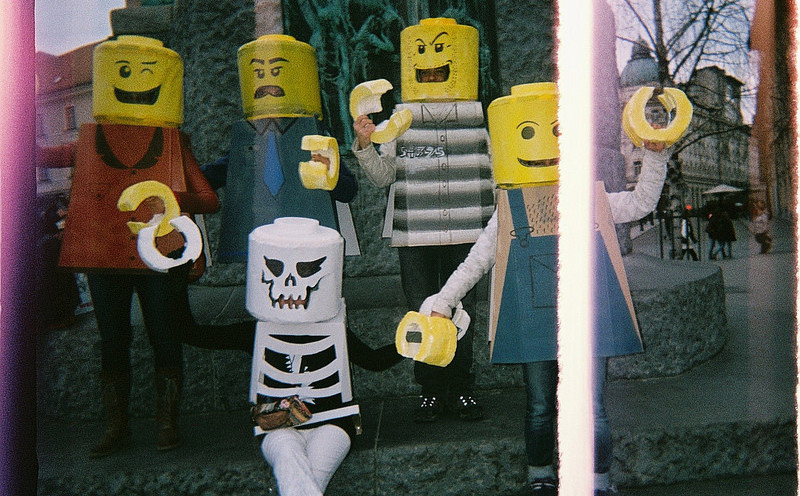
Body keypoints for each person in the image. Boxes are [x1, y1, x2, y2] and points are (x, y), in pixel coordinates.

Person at [426, 82, 672, 496]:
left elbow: (642, 202)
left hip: (587, 318)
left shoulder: (590, 199)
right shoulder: (509, 207)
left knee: (591, 408)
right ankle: (541, 475)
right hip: (533, 323)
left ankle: (597, 481)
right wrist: (444, 301)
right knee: (540, 406)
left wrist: (656, 154)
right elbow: (477, 260)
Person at [37, 36, 220, 457]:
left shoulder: (173, 141)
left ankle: (167, 421)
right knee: (112, 340)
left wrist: (172, 199)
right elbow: (39, 156)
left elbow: (209, 199)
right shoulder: (89, 142)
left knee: (164, 334)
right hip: (105, 258)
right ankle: (116, 426)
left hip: (158, 257)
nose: (135, 85)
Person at [352, 18, 493, 422]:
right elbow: (384, 177)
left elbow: (498, 171)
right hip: (415, 235)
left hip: (468, 233)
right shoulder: (397, 122)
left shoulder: (482, 119)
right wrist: (365, 144)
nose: (431, 73)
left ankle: (461, 388)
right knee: (421, 312)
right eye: (424, 68)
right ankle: (430, 390)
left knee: (462, 312)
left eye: (438, 68)